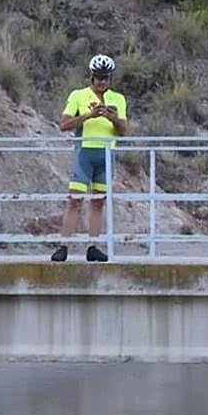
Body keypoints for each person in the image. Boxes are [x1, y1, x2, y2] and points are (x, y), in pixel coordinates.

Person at [52, 54, 128, 263]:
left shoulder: (118, 99)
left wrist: (111, 117)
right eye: (98, 78)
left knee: (98, 202)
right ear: (91, 77)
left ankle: (93, 246)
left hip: (107, 154)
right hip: (85, 152)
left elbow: (124, 131)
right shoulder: (78, 95)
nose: (102, 82)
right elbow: (64, 125)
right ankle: (63, 246)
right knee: (75, 200)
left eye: (106, 78)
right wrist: (89, 115)